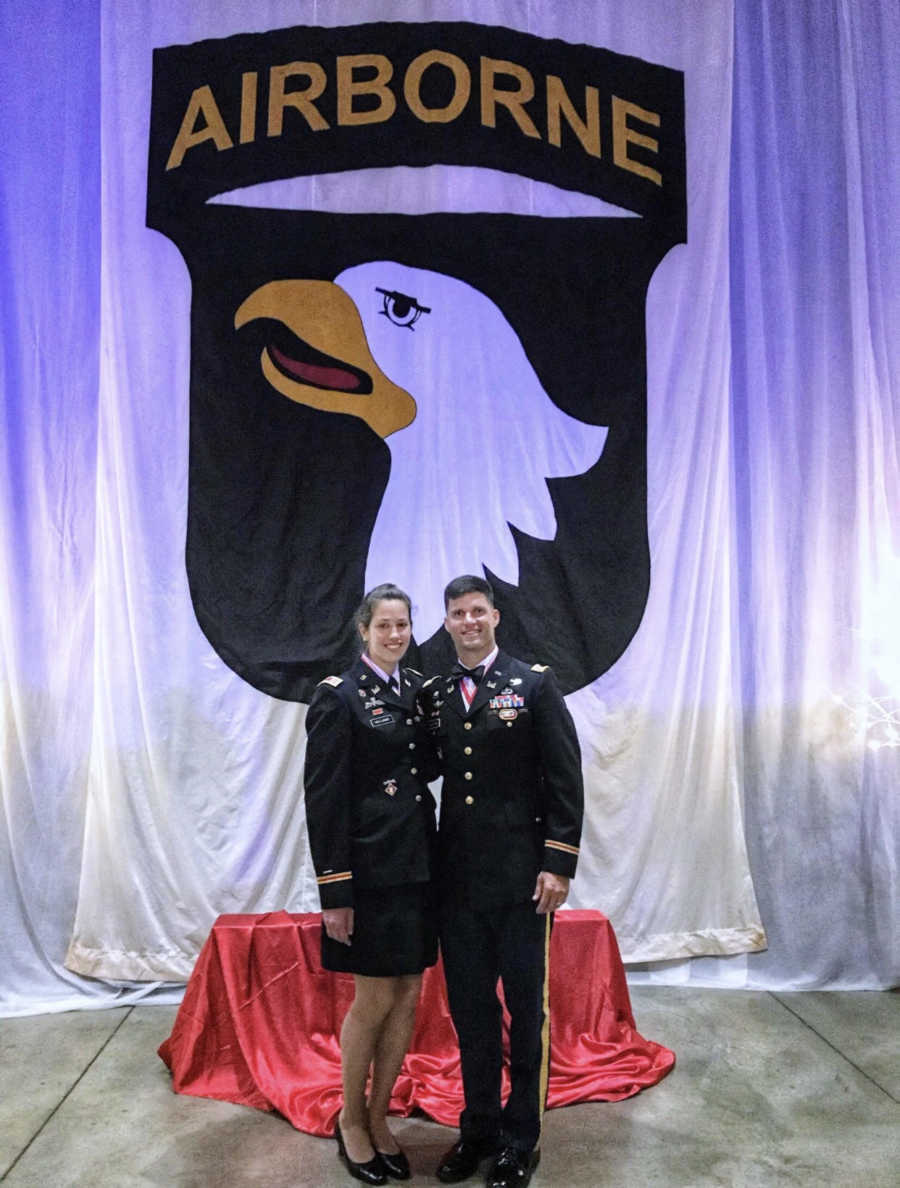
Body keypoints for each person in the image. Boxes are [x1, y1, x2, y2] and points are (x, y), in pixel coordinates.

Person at [423, 575, 584, 1188]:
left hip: (522, 884)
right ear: (447, 623)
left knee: (524, 1012)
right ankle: (478, 1130)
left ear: (496, 617)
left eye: (477, 612)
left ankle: (522, 1140)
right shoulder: (438, 693)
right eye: (458, 614)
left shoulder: (534, 685)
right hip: (458, 885)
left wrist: (558, 862)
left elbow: (565, 780)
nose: (468, 622)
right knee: (471, 1015)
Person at [304, 584, 438, 1186]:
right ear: (363, 630)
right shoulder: (339, 698)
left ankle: (380, 1115)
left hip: (417, 867)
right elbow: (324, 799)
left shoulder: (416, 691)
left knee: (408, 994)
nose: (394, 634)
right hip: (368, 875)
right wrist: (335, 890)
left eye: (403, 625)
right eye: (383, 625)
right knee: (375, 998)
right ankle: (350, 1119)